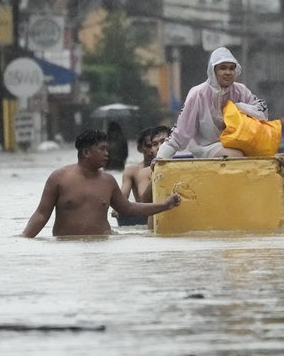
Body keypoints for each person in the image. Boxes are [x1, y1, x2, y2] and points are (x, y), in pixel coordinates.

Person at [22, 129, 182, 237]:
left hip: (103, 246)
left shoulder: (108, 181)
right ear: (86, 152)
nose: (107, 154)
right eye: (102, 149)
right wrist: (24, 239)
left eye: (107, 149)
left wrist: (164, 205)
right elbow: (41, 214)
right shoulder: (59, 178)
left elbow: (128, 208)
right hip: (67, 250)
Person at [155, 46, 268, 160]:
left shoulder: (241, 90)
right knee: (236, 156)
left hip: (239, 143)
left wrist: (239, 107)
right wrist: (160, 159)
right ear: (213, 70)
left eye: (231, 68)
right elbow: (181, 131)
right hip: (207, 146)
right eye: (223, 68)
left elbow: (262, 112)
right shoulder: (197, 94)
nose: (228, 72)